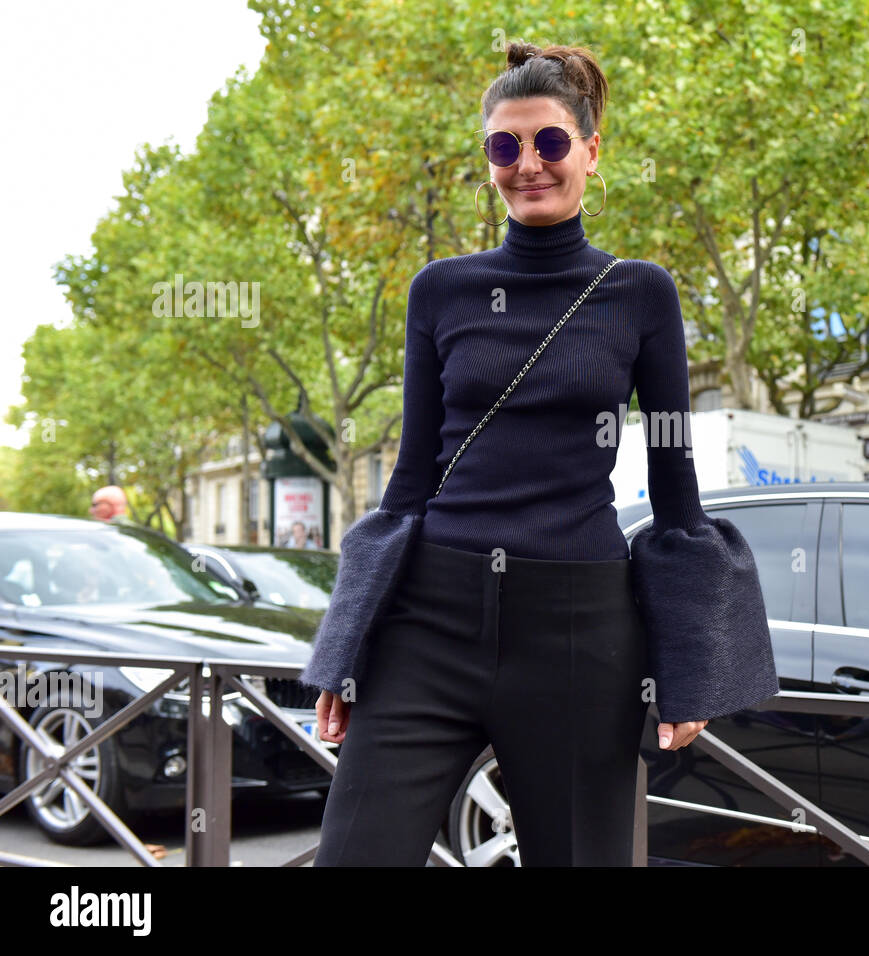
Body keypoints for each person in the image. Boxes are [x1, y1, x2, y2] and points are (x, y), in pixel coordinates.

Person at [299, 41, 777, 867]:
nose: (528, 165)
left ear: (592, 151)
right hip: (428, 621)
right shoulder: (440, 289)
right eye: (504, 146)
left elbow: (674, 484)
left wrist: (690, 662)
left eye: (550, 142)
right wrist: (344, 648)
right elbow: (410, 478)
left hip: (576, 630)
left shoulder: (642, 293)